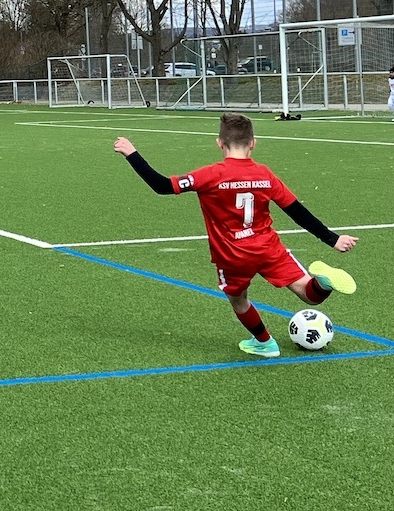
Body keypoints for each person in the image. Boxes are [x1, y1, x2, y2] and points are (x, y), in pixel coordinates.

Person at [114, 112, 357, 359]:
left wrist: (132, 153)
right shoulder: (264, 174)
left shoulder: (210, 175)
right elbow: (296, 211)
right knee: (308, 293)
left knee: (239, 300)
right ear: (253, 143)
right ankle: (323, 283)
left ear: (219, 143)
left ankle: (265, 343)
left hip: (232, 255)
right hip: (268, 247)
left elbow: (162, 185)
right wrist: (332, 239)